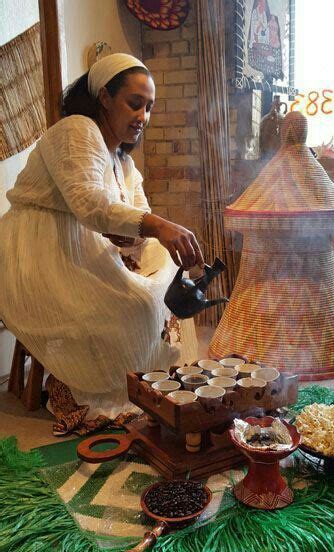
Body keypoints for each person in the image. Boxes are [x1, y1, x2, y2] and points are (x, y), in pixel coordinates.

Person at [0, 53, 204, 433]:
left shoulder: (122, 161)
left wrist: (141, 239)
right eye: (135, 103)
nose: (143, 116)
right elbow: (91, 204)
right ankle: (114, 391)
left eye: (149, 108)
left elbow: (135, 212)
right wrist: (154, 226)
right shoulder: (76, 130)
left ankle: (158, 381)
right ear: (105, 98)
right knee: (139, 304)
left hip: (84, 248)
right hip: (38, 253)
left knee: (170, 269)